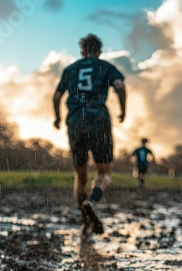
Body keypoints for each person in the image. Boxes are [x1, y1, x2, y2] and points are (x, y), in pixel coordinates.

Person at [53, 33, 126, 236]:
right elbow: (119, 87)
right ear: (99, 51)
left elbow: (57, 96)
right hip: (98, 119)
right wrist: (123, 110)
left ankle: (84, 221)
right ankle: (91, 201)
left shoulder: (70, 69)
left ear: (82, 51)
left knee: (81, 175)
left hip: (76, 120)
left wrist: (58, 118)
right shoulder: (106, 66)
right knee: (103, 173)